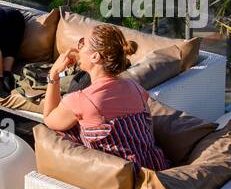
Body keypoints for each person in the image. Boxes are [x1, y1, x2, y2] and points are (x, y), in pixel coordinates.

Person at [42, 23, 169, 170]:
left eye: (82, 43)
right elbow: (148, 132)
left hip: (123, 179)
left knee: (59, 130)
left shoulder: (81, 100)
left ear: (95, 56)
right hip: (155, 168)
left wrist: (54, 74)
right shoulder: (136, 88)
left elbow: (49, 119)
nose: (78, 48)